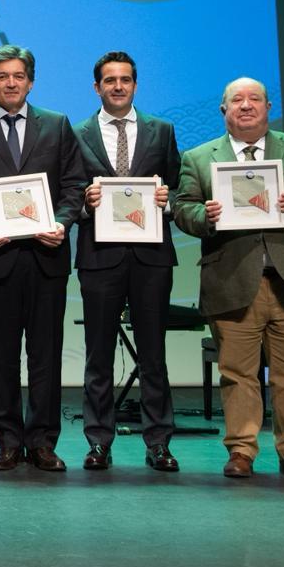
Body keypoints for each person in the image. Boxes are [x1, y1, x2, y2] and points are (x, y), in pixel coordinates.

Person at [171, 77, 284, 481]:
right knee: (237, 373)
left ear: (267, 107)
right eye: (237, 100)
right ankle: (242, 450)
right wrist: (206, 215)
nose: (246, 105)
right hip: (231, 278)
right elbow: (182, 208)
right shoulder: (199, 157)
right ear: (224, 110)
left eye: (254, 99)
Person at [0, 44, 86, 472]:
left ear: (31, 81)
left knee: (46, 355)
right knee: (2, 357)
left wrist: (61, 222)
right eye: (2, 76)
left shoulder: (57, 125)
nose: (11, 83)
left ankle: (42, 442)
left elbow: (75, 185)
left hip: (46, 256)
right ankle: (8, 441)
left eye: (18, 76)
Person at [73, 51, 180, 472]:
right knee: (98, 355)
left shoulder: (162, 130)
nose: (118, 86)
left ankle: (159, 443)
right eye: (110, 80)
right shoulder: (77, 133)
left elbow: (179, 185)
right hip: (100, 256)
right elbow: (67, 191)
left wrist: (168, 199)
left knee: (153, 355)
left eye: (125, 80)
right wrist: (85, 202)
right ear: (96, 87)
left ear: (135, 85)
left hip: (151, 256)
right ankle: (99, 441)